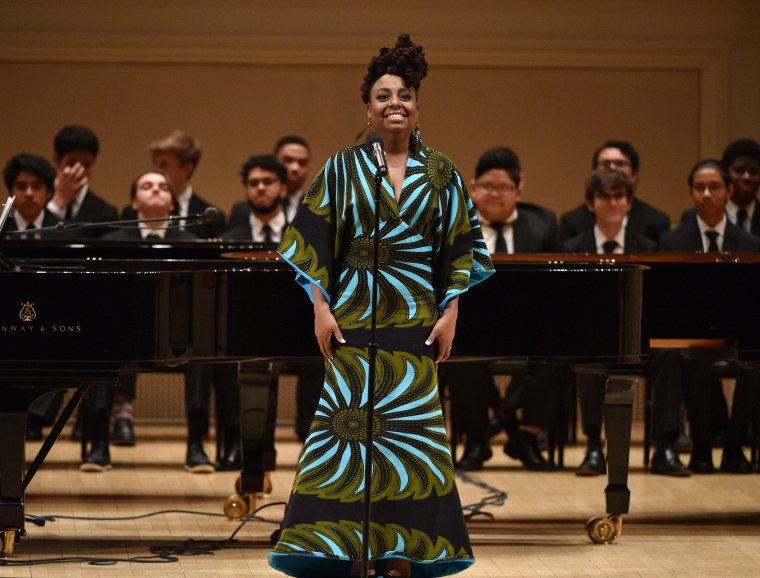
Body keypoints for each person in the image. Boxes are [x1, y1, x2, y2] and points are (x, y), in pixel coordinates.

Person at [269, 34, 493, 578]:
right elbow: (312, 243)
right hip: (352, 323)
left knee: (411, 444)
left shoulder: (441, 172)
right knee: (346, 440)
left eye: (406, 95)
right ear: (367, 106)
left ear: (419, 106)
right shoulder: (341, 169)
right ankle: (345, 551)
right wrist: (320, 308)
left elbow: (460, 247)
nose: (396, 104)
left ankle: (402, 555)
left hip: (415, 325)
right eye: (384, 95)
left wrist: (451, 312)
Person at [443, 147, 566, 472]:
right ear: (472, 187)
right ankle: (478, 438)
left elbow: (559, 287)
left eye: (504, 188)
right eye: (486, 187)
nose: (495, 195)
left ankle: (525, 435)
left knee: (561, 352)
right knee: (455, 353)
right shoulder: (455, 225)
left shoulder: (543, 225)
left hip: (530, 329)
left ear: (518, 190)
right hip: (470, 327)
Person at [564, 170, 692, 476]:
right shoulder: (571, 249)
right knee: (587, 354)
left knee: (669, 354)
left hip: (639, 343)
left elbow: (663, 305)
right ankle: (594, 446)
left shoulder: (649, 248)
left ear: (629, 202)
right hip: (596, 342)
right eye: (604, 197)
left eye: (619, 196)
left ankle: (666, 447)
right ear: (590, 203)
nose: (612, 203)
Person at [81, 170, 199, 471]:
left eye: (163, 187)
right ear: (134, 202)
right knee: (99, 349)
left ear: (172, 203)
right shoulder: (112, 242)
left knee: (203, 353)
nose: (156, 191)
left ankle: (197, 448)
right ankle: (98, 446)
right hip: (123, 335)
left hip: (176, 337)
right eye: (147, 186)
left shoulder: (192, 243)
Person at [659, 159, 760, 473]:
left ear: (728, 191)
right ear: (690, 192)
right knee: (693, 355)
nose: (706, 194)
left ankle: (734, 446)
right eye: (699, 187)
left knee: (755, 357)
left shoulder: (751, 244)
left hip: (738, 330)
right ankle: (701, 447)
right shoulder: (671, 241)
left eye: (714, 187)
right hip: (689, 331)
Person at [558, 140, 670, 244]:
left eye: (620, 164)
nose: (612, 169)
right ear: (594, 172)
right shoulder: (571, 222)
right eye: (606, 164)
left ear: (635, 174)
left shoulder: (657, 222)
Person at [48, 125, 118, 238]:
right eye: (72, 164)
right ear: (56, 159)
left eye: (87, 165)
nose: (80, 171)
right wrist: (56, 204)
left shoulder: (106, 213)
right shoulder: (35, 200)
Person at [228, 136, 311, 228]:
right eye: (288, 160)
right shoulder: (242, 210)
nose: (295, 168)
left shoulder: (316, 209)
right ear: (275, 161)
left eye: (302, 163)